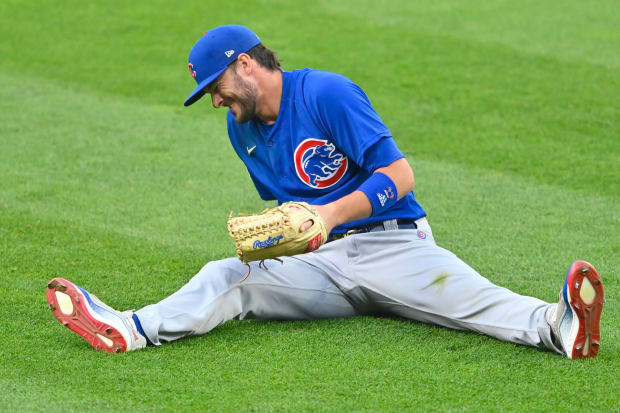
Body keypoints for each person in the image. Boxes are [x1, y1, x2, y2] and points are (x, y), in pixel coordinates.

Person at [46, 25, 605, 359]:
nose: (215, 101)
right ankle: (131, 328)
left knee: (471, 300)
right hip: (321, 269)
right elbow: (294, 207)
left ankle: (560, 326)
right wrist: (281, 237)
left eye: (216, 87)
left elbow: (400, 176)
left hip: (392, 246)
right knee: (227, 277)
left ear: (246, 65)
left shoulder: (326, 94)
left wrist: (330, 215)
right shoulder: (241, 130)